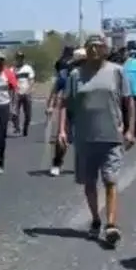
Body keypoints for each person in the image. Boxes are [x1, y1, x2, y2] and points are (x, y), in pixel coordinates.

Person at [59, 35, 133, 247]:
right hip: (85, 137)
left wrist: (130, 129)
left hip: (111, 136)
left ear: (105, 49)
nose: (94, 50)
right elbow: (65, 103)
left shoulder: (116, 71)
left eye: (98, 47)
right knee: (89, 182)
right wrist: (62, 131)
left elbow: (129, 101)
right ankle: (96, 219)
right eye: (90, 47)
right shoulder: (75, 75)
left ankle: (111, 224)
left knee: (110, 180)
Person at [47, 47, 86, 176]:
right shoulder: (68, 74)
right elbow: (56, 89)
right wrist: (50, 105)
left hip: (87, 112)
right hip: (70, 109)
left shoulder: (93, 74)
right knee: (62, 139)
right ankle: (57, 163)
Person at [121, 50, 136, 138]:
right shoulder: (120, 64)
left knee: (134, 111)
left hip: (132, 91)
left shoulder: (134, 62)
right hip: (129, 91)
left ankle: (133, 130)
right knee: (130, 111)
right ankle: (130, 130)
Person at [11, 52, 36, 136]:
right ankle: (17, 128)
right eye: (18, 57)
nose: (20, 59)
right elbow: (10, 83)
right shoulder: (12, 70)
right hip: (17, 93)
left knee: (28, 114)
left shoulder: (28, 68)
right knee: (15, 112)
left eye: (21, 57)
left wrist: (29, 90)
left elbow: (31, 80)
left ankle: (25, 127)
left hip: (27, 92)